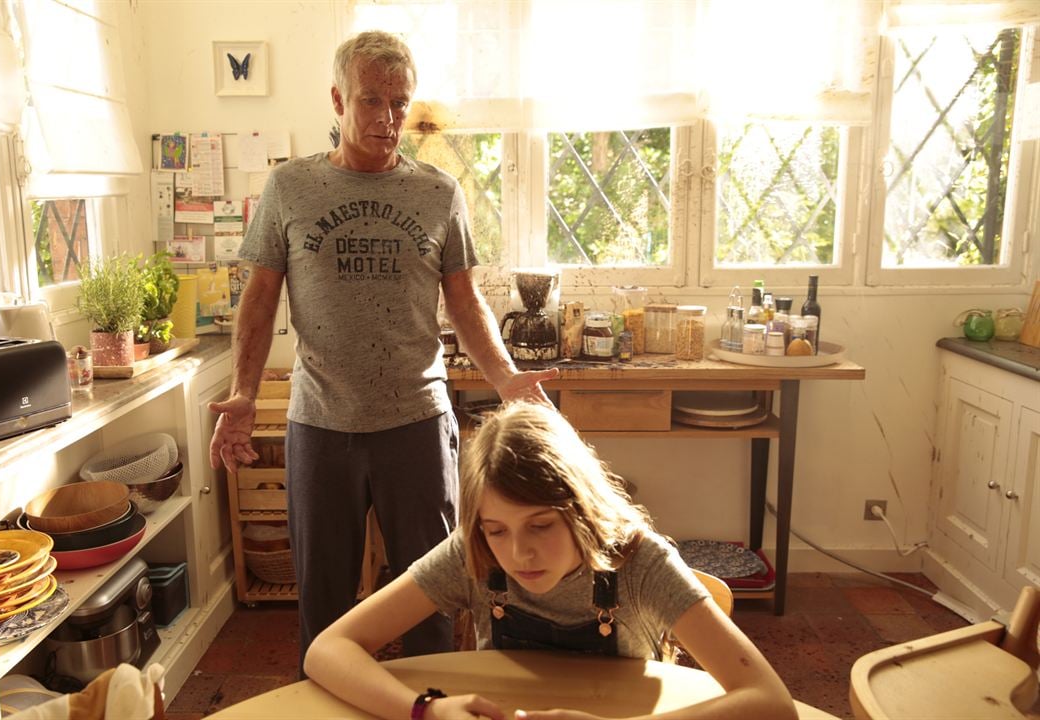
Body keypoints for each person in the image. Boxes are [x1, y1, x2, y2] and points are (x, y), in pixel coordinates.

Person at [208, 30, 557, 670]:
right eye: (372, 101)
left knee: (433, 593)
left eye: (400, 102)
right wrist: (243, 395)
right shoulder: (290, 188)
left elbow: (465, 301)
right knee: (325, 601)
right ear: (338, 100)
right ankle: (331, 703)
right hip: (320, 424)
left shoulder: (439, 193)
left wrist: (506, 379)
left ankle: (433, 704)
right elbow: (259, 298)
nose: (388, 118)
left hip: (417, 425)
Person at [304, 401, 799, 720]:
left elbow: (772, 703)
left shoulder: (642, 562)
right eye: (497, 531)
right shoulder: (472, 550)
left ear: (581, 512)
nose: (518, 553)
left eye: (541, 526)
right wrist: (426, 711)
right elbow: (327, 651)